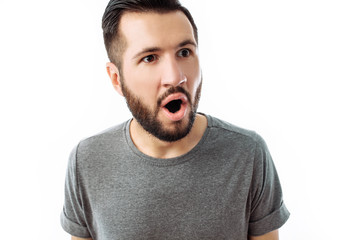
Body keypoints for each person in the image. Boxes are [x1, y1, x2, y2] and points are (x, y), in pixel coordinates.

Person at [60, 0, 290, 239]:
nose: (176, 77)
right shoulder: (86, 161)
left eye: (184, 53)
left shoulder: (248, 154)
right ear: (117, 79)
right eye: (150, 58)